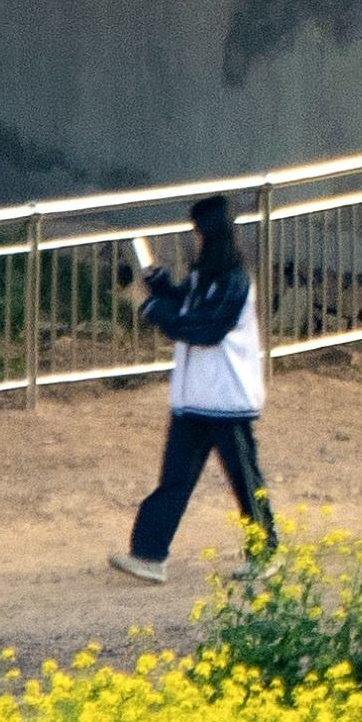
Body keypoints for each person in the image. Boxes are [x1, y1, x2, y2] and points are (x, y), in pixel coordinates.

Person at [107, 192, 282, 583]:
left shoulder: (236, 282)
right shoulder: (208, 277)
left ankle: (265, 550)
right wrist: (154, 280)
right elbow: (184, 303)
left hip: (226, 401)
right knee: (173, 480)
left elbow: (203, 329)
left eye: (198, 232)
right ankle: (149, 554)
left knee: (244, 479)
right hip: (195, 401)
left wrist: (147, 306)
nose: (194, 239)